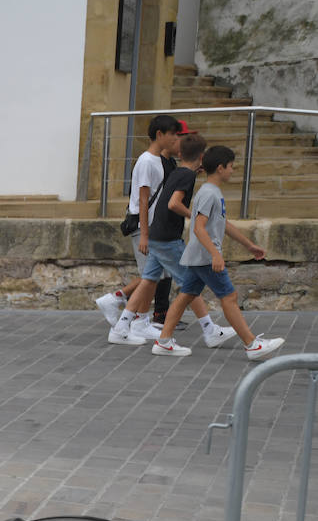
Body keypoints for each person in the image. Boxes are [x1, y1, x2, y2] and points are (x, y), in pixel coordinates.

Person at [152, 146, 284, 361]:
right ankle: (252, 344)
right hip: (205, 256)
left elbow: (223, 224)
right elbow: (199, 228)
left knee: (186, 296)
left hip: (199, 255)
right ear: (220, 168)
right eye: (231, 166)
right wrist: (215, 254)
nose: (233, 170)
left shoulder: (211, 192)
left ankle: (164, 341)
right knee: (229, 297)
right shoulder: (209, 194)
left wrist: (249, 245)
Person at [143, 133, 237, 350]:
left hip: (158, 234)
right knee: (188, 287)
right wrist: (194, 215)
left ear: (180, 153)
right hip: (168, 238)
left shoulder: (179, 171)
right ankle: (209, 329)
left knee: (149, 279)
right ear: (202, 157)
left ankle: (124, 320)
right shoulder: (188, 176)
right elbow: (174, 203)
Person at [97, 115, 181, 344]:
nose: (175, 138)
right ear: (159, 134)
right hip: (145, 227)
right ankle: (124, 312)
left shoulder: (156, 161)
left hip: (153, 227)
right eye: (172, 134)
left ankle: (133, 315)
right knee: (150, 276)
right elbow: (143, 200)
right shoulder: (146, 162)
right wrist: (145, 234)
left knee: (155, 274)